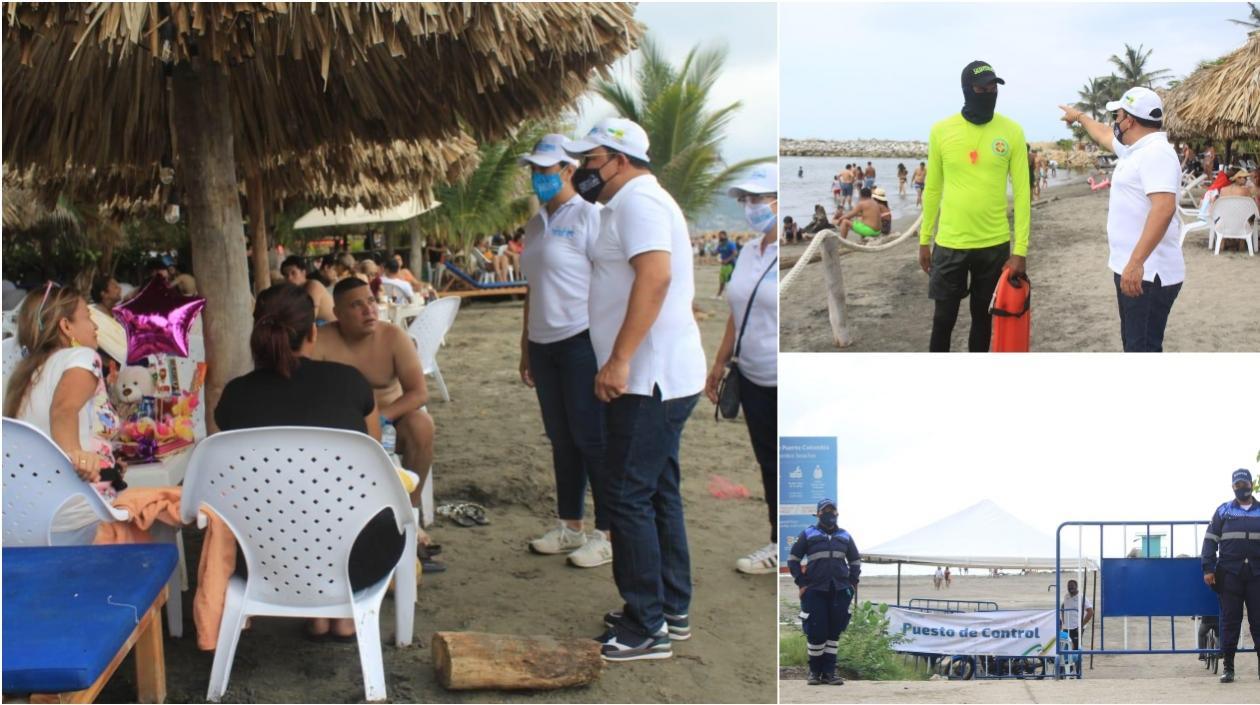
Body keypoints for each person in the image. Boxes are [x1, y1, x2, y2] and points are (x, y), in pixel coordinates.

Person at [565, 117, 706, 661]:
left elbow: (655, 278)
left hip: (647, 378)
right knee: (657, 491)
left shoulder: (639, 203)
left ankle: (646, 626)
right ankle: (671, 608)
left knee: (625, 496)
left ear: (620, 160)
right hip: (660, 376)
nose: (583, 171)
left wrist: (619, 359)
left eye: (591, 161)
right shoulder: (629, 204)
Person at [215, 283, 403, 640]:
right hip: (358, 556)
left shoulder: (235, 395)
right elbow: (373, 463)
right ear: (313, 332)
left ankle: (320, 613)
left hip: (263, 558)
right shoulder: (349, 382)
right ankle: (341, 611)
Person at [516, 134, 611, 569]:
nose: (538, 178)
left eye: (546, 170)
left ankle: (607, 533)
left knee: (593, 438)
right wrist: (524, 346)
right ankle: (569, 526)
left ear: (569, 171)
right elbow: (532, 289)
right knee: (561, 439)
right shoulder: (535, 225)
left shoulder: (591, 216)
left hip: (580, 340)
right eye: (534, 170)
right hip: (543, 344)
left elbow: (610, 280)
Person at [1059, 87, 1182, 352]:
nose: (1115, 121)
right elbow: (1103, 133)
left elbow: (1164, 208)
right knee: (1133, 344)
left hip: (1147, 273)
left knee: (1142, 348)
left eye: (1119, 115)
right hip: (1133, 268)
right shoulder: (1135, 149)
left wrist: (1136, 264)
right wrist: (1078, 116)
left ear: (1130, 120)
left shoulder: (1156, 153)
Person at [920, 61, 1030, 353]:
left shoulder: (1012, 131)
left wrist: (1020, 251)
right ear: (968, 90)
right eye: (982, 88)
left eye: (994, 87)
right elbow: (932, 188)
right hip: (950, 241)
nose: (989, 93)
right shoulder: (941, 131)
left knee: (983, 318)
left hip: (994, 244)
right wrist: (923, 239)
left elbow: (1022, 193)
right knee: (943, 319)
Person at [5, 283, 121, 545]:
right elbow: (63, 410)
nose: (95, 326)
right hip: (77, 518)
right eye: (88, 317)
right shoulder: (82, 357)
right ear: (66, 327)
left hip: (22, 518)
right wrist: (75, 455)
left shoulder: (21, 375)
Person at [706, 165, 779, 575]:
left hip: (784, 377)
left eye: (758, 198)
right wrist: (719, 362)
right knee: (767, 462)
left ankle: (794, 545)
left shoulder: (793, 251)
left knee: (794, 463)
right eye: (745, 200)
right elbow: (738, 311)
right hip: (749, 375)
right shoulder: (750, 251)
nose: (750, 207)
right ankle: (779, 542)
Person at [312, 278, 435, 500]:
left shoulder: (393, 337)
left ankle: (410, 510)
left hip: (390, 422)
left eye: (370, 301)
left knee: (422, 425)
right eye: (356, 305)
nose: (368, 310)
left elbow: (419, 392)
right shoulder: (321, 341)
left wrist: (380, 418)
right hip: (342, 428)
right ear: (337, 313)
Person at [787, 499, 859, 687]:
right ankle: (814, 672)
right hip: (815, 591)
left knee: (833, 633)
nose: (830, 514)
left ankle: (829, 673)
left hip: (840, 591)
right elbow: (793, 560)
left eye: (833, 511)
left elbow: (855, 561)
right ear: (818, 514)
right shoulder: (808, 534)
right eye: (825, 511)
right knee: (816, 633)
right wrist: (801, 584)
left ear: (837, 514)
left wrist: (852, 584)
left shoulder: (845, 536)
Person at [1201, 468, 1260, 683]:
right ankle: (1229, 669)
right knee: (1230, 622)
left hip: (1257, 575)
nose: (1241, 488)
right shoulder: (1224, 511)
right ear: (1232, 487)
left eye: (1244, 484)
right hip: (1229, 575)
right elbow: (1209, 541)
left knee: (1259, 622)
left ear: (1251, 484)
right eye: (1237, 485)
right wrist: (1208, 568)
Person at [281, 256, 337, 324]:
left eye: (293, 273)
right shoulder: (294, 291)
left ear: (303, 272)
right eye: (286, 275)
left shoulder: (313, 286)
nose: (289, 278)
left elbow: (310, 317)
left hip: (332, 327)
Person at [88, 275, 128, 366]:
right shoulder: (92, 315)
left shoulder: (117, 315)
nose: (120, 288)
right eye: (115, 286)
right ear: (104, 294)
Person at [1060, 579, 1093, 651]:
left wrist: (1082, 624)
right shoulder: (1066, 596)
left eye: (1072, 586)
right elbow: (1062, 606)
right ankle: (1067, 661)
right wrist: (1063, 620)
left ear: (1076, 586)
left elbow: (1090, 612)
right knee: (1066, 646)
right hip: (1066, 627)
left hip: (1077, 627)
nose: (1070, 588)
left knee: (1076, 647)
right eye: (1069, 586)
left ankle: (1078, 662)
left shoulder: (1081, 597)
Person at [715, 230, 738, 298]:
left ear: (725, 236)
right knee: (722, 280)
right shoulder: (720, 244)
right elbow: (716, 252)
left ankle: (731, 296)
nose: (720, 237)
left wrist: (727, 260)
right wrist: (713, 253)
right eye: (719, 236)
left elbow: (735, 253)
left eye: (721, 235)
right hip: (723, 265)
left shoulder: (730, 243)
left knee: (729, 281)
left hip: (731, 264)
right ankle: (719, 295)